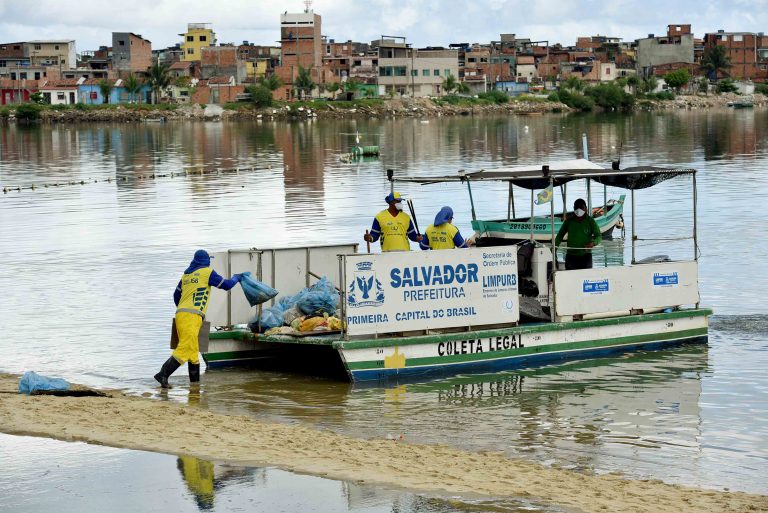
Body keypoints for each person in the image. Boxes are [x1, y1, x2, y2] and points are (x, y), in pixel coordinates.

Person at [154, 250, 242, 388]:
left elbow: (176, 296)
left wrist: (184, 308)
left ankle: (195, 385)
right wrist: (237, 278)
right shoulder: (207, 272)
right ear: (206, 261)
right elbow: (227, 285)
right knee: (185, 347)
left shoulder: (186, 276)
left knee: (193, 352)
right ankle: (163, 374)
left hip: (181, 314)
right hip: (192, 316)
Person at [555, 198, 602, 270]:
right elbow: (560, 235)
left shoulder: (590, 221)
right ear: (574, 208)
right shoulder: (569, 221)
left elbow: (598, 236)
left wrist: (593, 243)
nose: (579, 209)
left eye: (581, 207)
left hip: (586, 256)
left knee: (586, 278)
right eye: (577, 207)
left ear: (586, 208)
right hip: (571, 256)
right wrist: (554, 247)